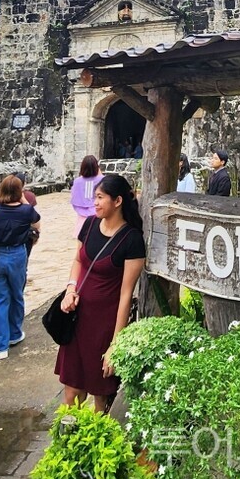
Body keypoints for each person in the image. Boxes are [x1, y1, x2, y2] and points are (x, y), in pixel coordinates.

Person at [54, 173, 146, 411]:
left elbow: (125, 295)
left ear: (117, 201)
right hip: (78, 319)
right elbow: (78, 260)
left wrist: (116, 344)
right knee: (71, 390)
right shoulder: (90, 224)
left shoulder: (131, 240)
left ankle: (96, 443)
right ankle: (67, 443)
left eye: (100, 197)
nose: (94, 203)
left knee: (100, 396)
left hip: (104, 325)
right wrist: (70, 289)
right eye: (94, 197)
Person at [0, 175, 41, 359]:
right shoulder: (26, 211)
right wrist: (23, 198)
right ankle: (15, 333)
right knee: (17, 294)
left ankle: (0, 346)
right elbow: (37, 221)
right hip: (17, 254)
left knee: (0, 300)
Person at [69, 156, 103, 236]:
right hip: (98, 213)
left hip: (82, 214)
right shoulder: (102, 180)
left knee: (81, 239)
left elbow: (74, 197)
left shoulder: (77, 181)